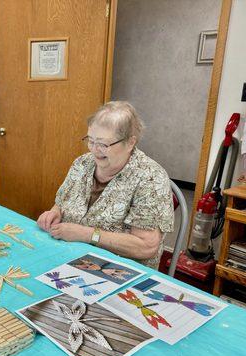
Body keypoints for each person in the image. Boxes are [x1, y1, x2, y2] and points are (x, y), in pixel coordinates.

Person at [37, 101, 174, 268]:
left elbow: (146, 247)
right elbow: (62, 202)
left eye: (103, 144)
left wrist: (87, 235)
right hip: (69, 254)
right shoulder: (83, 163)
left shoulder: (150, 178)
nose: (94, 150)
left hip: (117, 271)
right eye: (91, 140)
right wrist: (54, 213)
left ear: (130, 143)